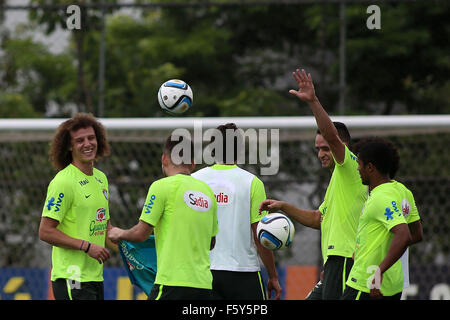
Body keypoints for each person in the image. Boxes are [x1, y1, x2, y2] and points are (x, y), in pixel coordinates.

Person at [260, 69, 367, 299]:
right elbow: (319, 218)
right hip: (334, 263)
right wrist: (283, 206)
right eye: (317, 149)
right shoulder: (339, 179)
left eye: (325, 148)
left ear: (342, 145)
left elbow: (330, 134)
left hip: (345, 260)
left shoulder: (349, 165)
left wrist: (313, 101)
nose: (320, 153)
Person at [108, 134, 218, 300]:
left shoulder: (161, 186)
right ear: (193, 164)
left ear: (164, 159)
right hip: (203, 285)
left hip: (172, 283)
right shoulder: (207, 192)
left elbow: (140, 234)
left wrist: (119, 233)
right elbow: (211, 242)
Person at [192, 123, 282, 300]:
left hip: (203, 272)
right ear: (240, 150)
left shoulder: (194, 181)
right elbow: (260, 235)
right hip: (243, 272)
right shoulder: (252, 182)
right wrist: (273, 276)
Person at [39, 112, 113, 300]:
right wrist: (86, 246)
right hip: (72, 275)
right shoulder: (63, 182)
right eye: (80, 140)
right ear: (70, 146)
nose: (87, 144)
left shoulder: (101, 178)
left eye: (91, 138)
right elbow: (45, 231)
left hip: (94, 276)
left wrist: (134, 242)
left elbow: (105, 228)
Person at [341, 137, 412, 300]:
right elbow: (417, 233)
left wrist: (379, 270)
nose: (358, 169)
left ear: (370, 167)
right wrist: (374, 248)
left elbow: (404, 235)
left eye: (359, 164)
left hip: (366, 282)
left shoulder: (380, 197)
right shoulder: (402, 191)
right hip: (392, 284)